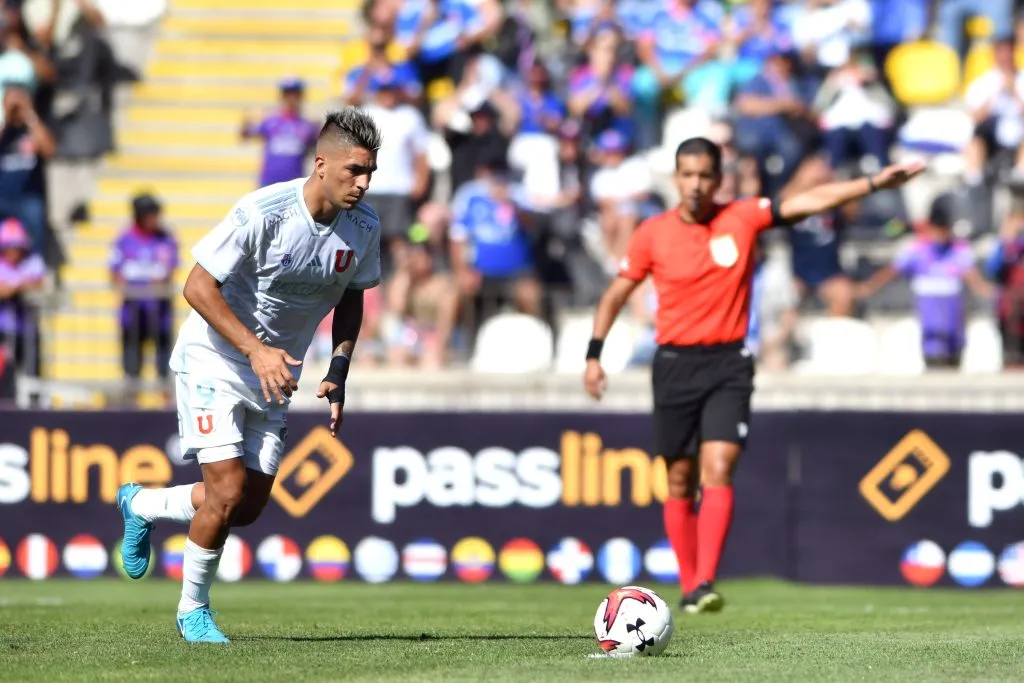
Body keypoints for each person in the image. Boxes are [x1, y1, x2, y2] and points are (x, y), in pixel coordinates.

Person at [583, 136, 923, 613]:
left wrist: (870, 184)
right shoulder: (652, 232)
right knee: (679, 479)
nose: (696, 184)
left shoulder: (741, 217)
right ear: (675, 178)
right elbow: (616, 294)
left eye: (705, 175)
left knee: (719, 467)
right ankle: (688, 585)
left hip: (728, 363)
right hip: (674, 364)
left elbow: (808, 201)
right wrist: (594, 355)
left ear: (718, 180)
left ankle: (703, 584)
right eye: (687, 175)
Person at [114, 108, 383, 643]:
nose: (364, 182)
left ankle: (140, 502)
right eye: (354, 170)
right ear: (321, 162)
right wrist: (256, 350)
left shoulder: (365, 227)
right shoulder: (264, 211)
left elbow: (353, 298)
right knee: (228, 489)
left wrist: (339, 367)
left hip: (274, 373)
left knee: (246, 508)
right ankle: (193, 611)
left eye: (370, 171)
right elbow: (196, 286)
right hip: (215, 358)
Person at [856, 192, 992, 368]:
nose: (940, 235)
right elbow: (892, 271)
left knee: (953, 352)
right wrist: (870, 286)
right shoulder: (918, 249)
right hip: (928, 313)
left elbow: (972, 276)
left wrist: (986, 290)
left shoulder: (958, 250)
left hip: (952, 313)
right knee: (932, 353)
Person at [109, 194, 178, 393]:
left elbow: (168, 271)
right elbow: (115, 274)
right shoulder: (124, 240)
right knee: (132, 363)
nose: (155, 219)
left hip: (160, 313)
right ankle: (132, 402)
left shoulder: (165, 239)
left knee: (163, 362)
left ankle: (164, 402)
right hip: (133, 314)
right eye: (151, 214)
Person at [241, 78, 320, 188]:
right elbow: (246, 134)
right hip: (268, 183)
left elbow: (319, 148)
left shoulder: (307, 126)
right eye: (287, 94)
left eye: (295, 94)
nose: (291, 99)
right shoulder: (270, 122)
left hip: (293, 185)